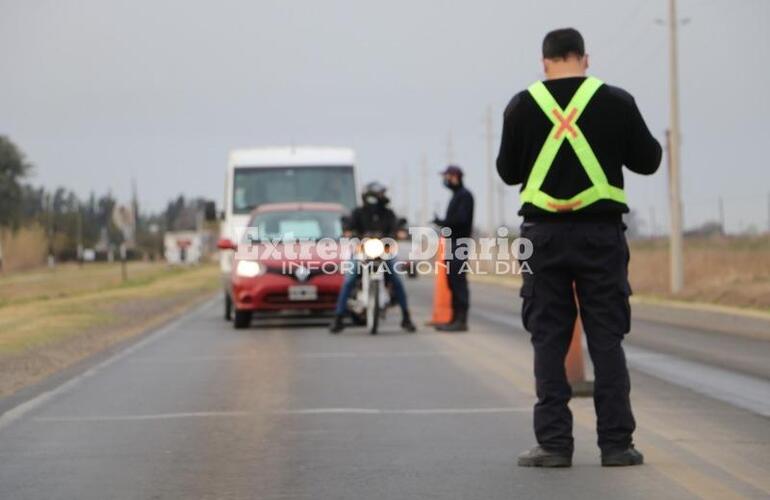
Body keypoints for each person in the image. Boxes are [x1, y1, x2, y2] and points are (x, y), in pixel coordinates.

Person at [497, 28, 661, 467]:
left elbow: (508, 172)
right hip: (600, 236)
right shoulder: (617, 101)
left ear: (544, 62)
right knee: (606, 338)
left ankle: (554, 445)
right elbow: (648, 161)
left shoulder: (521, 105)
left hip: (543, 237)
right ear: (585, 59)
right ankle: (616, 445)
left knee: (548, 339)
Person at [329, 182, 417, 333]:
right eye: (379, 195)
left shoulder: (388, 214)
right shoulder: (358, 213)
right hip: (361, 251)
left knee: (397, 279)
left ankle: (406, 317)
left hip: (384, 252)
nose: (381, 197)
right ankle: (339, 317)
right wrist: (348, 231)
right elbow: (348, 226)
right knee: (349, 279)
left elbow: (397, 227)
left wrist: (400, 232)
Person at [432, 165, 474, 332]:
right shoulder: (457, 195)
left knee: (458, 281)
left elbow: (461, 220)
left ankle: (461, 320)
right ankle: (454, 318)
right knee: (452, 281)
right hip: (452, 243)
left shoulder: (465, 196)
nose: (445, 180)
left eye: (447, 177)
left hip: (459, 243)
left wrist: (443, 222)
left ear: (455, 177)